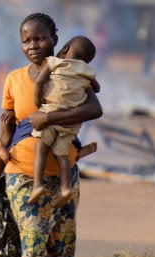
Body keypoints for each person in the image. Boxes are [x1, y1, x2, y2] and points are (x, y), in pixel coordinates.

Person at [0, 12, 102, 257]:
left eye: (40, 38)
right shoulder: (13, 79)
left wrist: (50, 117)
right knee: (33, 239)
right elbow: (6, 135)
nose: (33, 45)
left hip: (63, 175)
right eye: (26, 40)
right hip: (20, 174)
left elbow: (95, 108)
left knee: (60, 245)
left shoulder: (70, 73)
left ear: (55, 40)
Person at [28, 36, 100, 206]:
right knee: (62, 155)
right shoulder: (86, 71)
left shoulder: (54, 62)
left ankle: (37, 185)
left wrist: (38, 102)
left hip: (51, 110)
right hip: (70, 122)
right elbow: (97, 88)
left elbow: (39, 82)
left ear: (65, 48)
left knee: (41, 150)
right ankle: (65, 188)